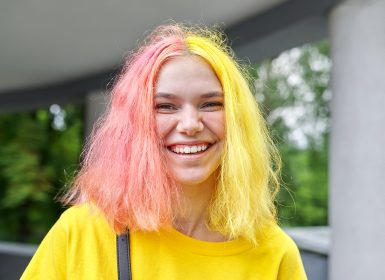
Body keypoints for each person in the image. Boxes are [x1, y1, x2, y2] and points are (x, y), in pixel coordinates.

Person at [21, 24, 307, 279]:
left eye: (210, 104)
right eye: (165, 106)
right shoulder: (80, 235)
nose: (190, 124)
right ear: (136, 122)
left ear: (237, 119)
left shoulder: (275, 254)